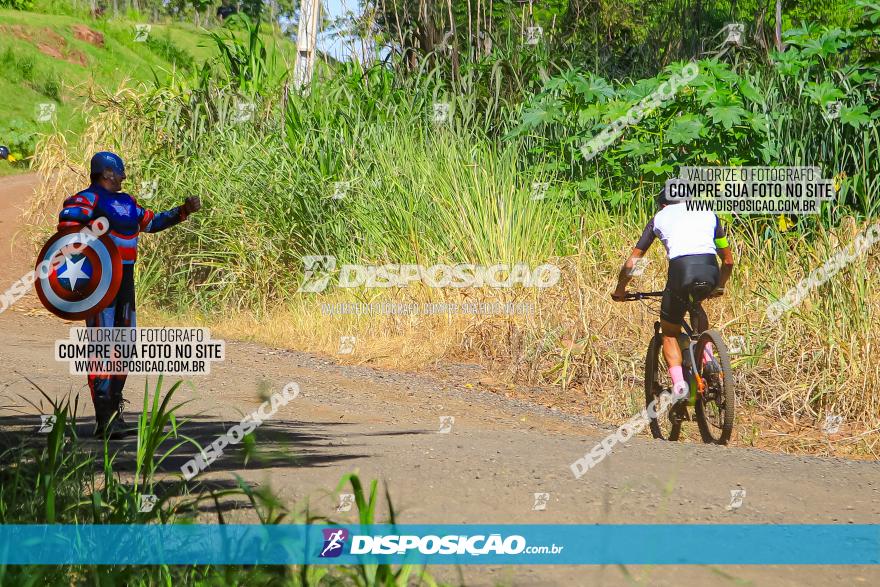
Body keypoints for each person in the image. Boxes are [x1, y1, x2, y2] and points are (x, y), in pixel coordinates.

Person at [57, 152, 201, 438]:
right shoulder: (85, 200)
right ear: (107, 174)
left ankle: (114, 410)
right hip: (100, 282)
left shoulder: (128, 202)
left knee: (124, 344)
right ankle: (104, 419)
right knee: (102, 344)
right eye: (120, 172)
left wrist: (182, 210)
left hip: (126, 280)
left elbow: (151, 223)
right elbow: (67, 233)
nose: (124, 177)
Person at [612, 185, 734, 401]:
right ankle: (708, 356)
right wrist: (719, 286)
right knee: (695, 306)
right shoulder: (710, 214)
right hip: (710, 270)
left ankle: (679, 387)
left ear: (664, 204)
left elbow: (633, 262)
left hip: (681, 273)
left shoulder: (660, 217)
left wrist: (621, 289)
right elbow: (728, 261)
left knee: (669, 332)